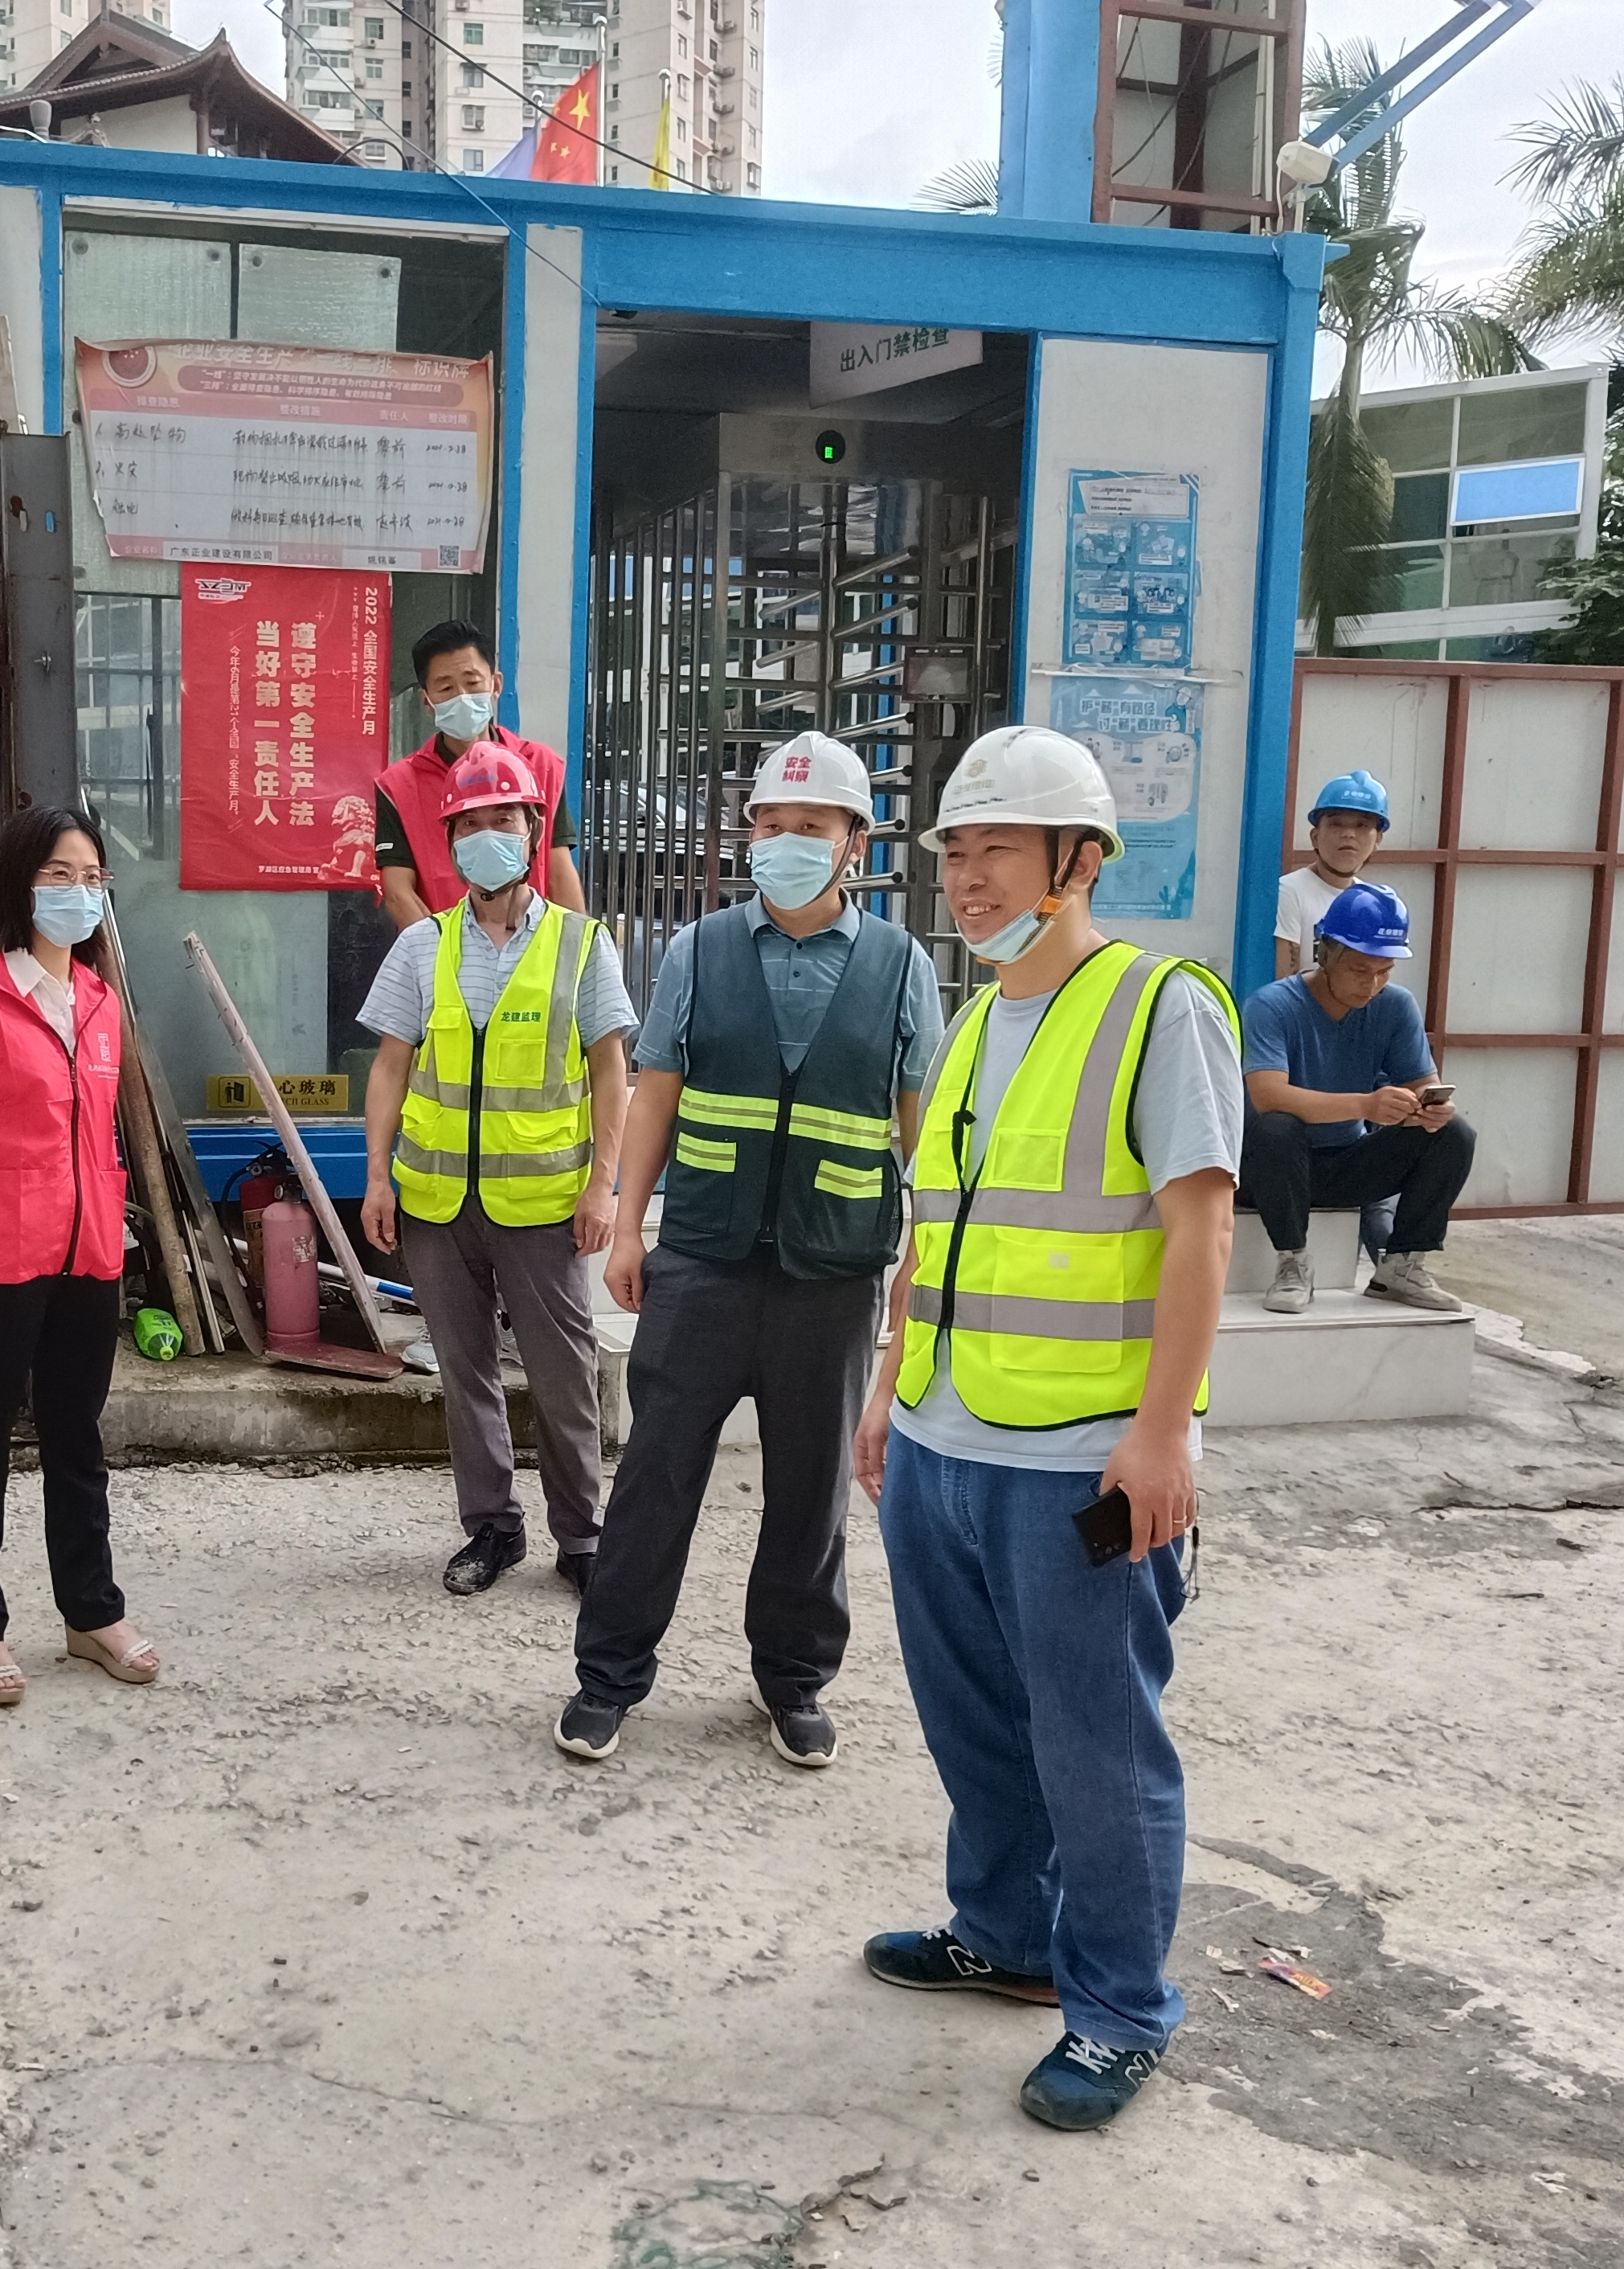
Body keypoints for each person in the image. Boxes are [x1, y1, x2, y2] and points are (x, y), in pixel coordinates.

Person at [853, 723, 1239, 2137]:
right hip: (944, 1440)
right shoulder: (975, 1021)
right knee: (971, 1720)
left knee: (1097, 1747)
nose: (966, 877)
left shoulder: (1159, 1007)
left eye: (996, 850)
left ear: (1079, 860)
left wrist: (1164, 1435)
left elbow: (1201, 1233)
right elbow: (937, 1227)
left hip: (1080, 1455)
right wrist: (893, 1388)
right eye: (955, 851)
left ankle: (1121, 2011)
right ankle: (1007, 1936)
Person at [557, 731, 942, 1772]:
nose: (785, 842)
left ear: (854, 843)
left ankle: (795, 1680)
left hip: (836, 1272)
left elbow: (925, 1135)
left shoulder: (903, 967)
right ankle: (607, 1678)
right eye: (770, 824)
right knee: (655, 1478)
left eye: (810, 826)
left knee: (811, 1492)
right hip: (704, 1260)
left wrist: (918, 1268)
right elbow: (657, 1094)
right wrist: (628, 1225)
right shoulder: (700, 949)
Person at [358, 742, 636, 1597]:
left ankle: (581, 1536)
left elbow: (611, 1071)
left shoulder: (581, 945)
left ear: (532, 829)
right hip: (437, 1202)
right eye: (469, 823)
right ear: (449, 841)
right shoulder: (423, 946)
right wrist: (378, 1178)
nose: (487, 835)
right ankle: (491, 1528)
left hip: (545, 1203)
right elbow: (390, 1068)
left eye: (503, 819)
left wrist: (604, 1186)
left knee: (563, 1376)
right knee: (466, 1372)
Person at [0, 804, 159, 1704]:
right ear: (19, 882)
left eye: (92, 878)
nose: (79, 894)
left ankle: (90, 1611)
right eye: (60, 875)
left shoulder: (98, 1001)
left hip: (88, 1255)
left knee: (76, 1437)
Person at [1241, 880, 1474, 1315]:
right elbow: (1268, 1095)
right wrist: (1367, 1106)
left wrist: (1429, 1110)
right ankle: (1293, 1264)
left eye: (1384, 972)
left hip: (1345, 1162)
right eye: (1360, 970)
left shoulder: (1396, 1006)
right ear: (1325, 954)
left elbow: (1423, 1083)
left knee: (1454, 1133)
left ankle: (1400, 1267)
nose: (1372, 985)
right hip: (1269, 1171)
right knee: (1276, 1127)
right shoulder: (1272, 1006)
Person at [374, 619, 590, 928]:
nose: (461, 695)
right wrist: (440, 950)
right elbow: (398, 893)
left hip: (535, 946)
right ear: (427, 701)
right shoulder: (398, 787)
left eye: (472, 682)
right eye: (446, 688)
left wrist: (578, 947)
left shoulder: (540, 766)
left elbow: (559, 872)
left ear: (496, 685)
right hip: (448, 952)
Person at [1275, 770, 1391, 978]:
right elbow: (1282, 987)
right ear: (1315, 836)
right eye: (1336, 824)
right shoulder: (1289, 892)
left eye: (1362, 825)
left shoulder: (1372, 902)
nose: (1349, 834)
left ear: (1378, 840)